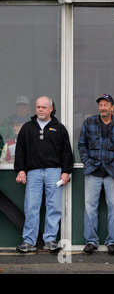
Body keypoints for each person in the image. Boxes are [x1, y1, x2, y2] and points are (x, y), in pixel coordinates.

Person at [14, 96, 73, 253]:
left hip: (54, 172)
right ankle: (29, 241)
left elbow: (66, 152)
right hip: (33, 173)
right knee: (31, 207)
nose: (40, 110)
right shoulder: (27, 128)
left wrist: (66, 171)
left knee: (53, 206)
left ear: (51, 109)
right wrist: (20, 169)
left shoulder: (59, 128)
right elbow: (20, 150)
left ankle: (50, 240)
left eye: (44, 107)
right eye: (38, 107)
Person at [78, 94, 114, 255]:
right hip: (92, 171)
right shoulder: (89, 122)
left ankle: (112, 241)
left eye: (106, 104)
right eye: (100, 105)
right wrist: (87, 163)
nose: (102, 107)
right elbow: (81, 145)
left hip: (112, 172)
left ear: (112, 107)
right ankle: (91, 241)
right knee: (90, 207)